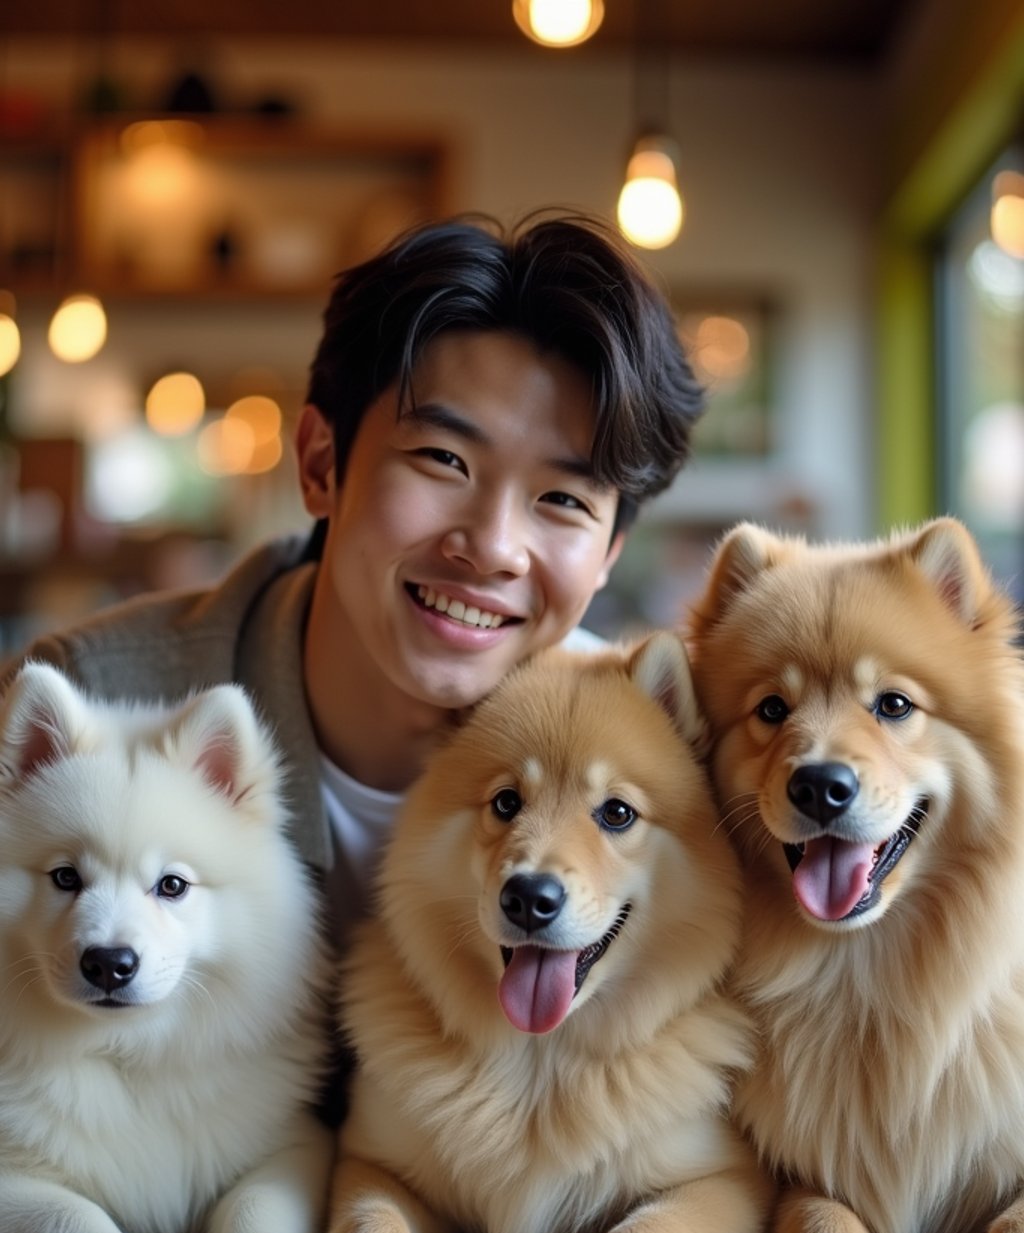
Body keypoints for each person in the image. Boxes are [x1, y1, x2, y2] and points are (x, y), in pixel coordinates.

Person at [2, 211, 704, 950]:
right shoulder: (89, 708)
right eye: (444, 460)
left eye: (562, 500)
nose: (494, 548)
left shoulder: (656, 763)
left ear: (608, 556)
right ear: (319, 464)